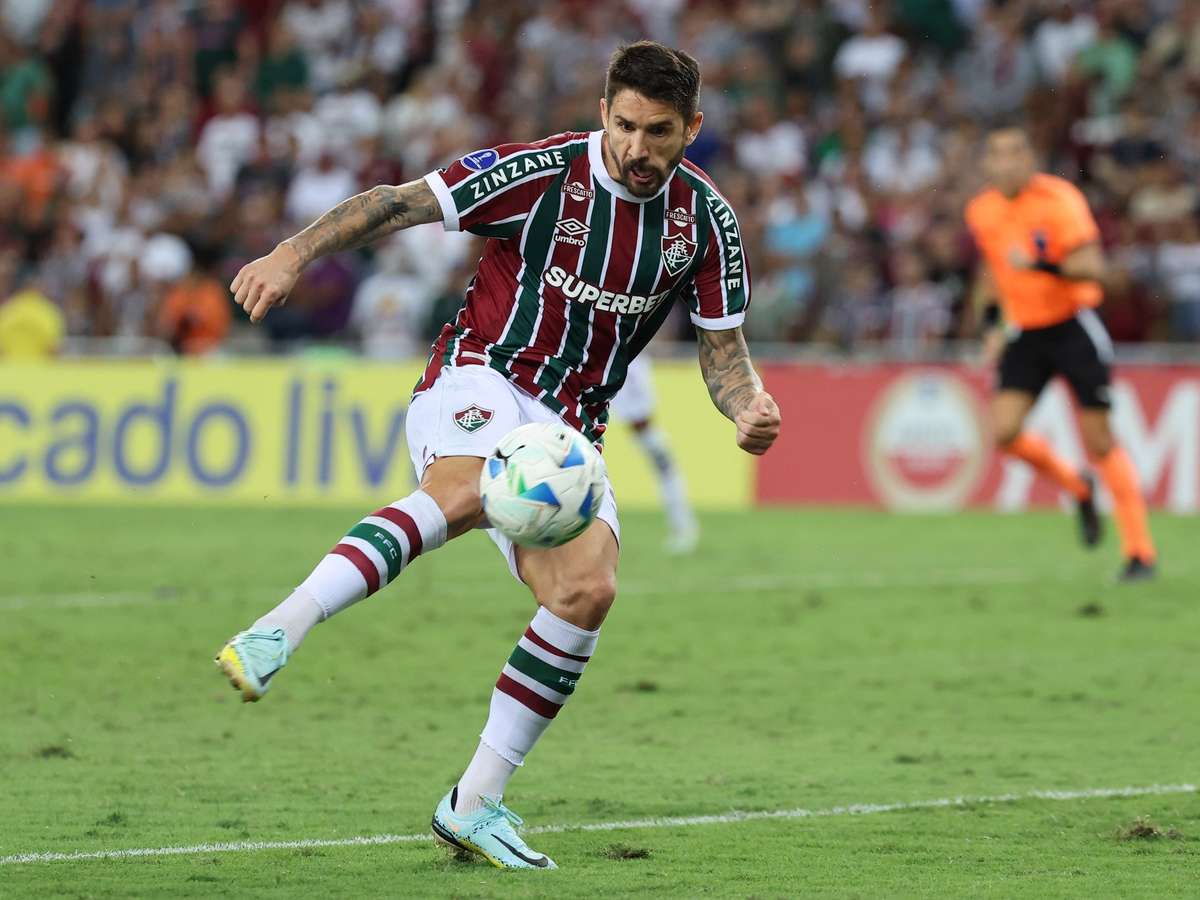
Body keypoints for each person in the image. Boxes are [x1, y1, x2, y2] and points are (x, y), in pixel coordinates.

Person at [214, 41, 781, 869]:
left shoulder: (707, 222)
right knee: (467, 489)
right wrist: (289, 254)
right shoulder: (541, 173)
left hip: (570, 431)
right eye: (624, 125)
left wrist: (748, 408)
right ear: (603, 114)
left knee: (588, 591)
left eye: (658, 131)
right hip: (480, 372)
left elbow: (724, 356)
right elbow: (397, 203)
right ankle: (278, 629)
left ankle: (473, 803)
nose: (636, 147)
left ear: (691, 128)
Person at [965, 123, 1156, 581]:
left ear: (1030, 160)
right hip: (1025, 332)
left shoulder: (1059, 200)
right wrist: (991, 326)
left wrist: (1040, 264)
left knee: (1100, 440)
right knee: (1004, 431)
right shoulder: (982, 210)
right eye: (997, 154)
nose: (1005, 163)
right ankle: (1078, 487)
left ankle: (1139, 552)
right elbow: (991, 273)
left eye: (1014, 153)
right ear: (987, 163)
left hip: (1072, 326)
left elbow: (1092, 267)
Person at [609, 354, 700, 554]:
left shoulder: (631, 366)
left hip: (648, 433)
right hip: (646, 432)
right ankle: (683, 528)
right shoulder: (631, 363)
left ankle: (684, 528)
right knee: (667, 472)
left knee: (666, 470)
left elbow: (641, 415)